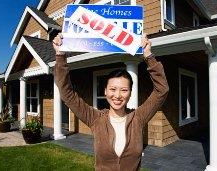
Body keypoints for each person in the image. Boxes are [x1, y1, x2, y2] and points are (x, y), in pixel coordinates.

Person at [53, 33, 169, 171]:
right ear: (105, 92)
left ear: (130, 93)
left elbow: (162, 90)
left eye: (124, 90)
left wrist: (149, 56)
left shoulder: (138, 118)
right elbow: (68, 94)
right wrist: (60, 56)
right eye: (113, 89)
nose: (118, 95)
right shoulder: (96, 119)